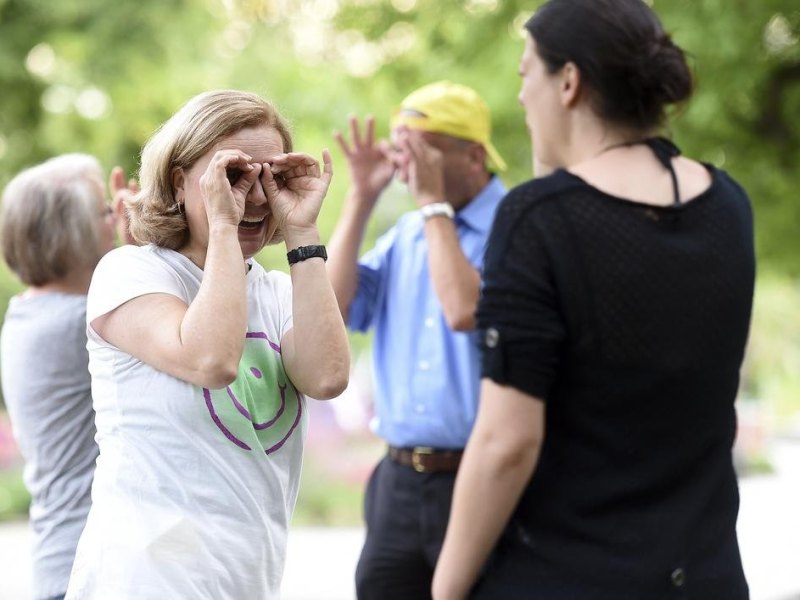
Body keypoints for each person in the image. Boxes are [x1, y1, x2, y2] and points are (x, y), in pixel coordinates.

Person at [432, 1, 755, 599]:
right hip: (706, 576)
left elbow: (508, 443)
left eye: (527, 72)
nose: (523, 96)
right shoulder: (729, 206)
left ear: (570, 81)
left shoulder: (538, 220)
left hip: (568, 576)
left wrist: (445, 588)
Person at [65, 89, 350, 599]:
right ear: (179, 180)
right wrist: (222, 222)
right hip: (146, 581)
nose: (257, 196)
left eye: (274, 176)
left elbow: (326, 378)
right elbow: (211, 359)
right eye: (236, 174)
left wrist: (303, 231)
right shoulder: (131, 272)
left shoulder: (278, 290)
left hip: (247, 581)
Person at [327, 81, 507, 599]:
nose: (404, 164)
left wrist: (434, 207)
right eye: (397, 146)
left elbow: (465, 310)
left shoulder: (516, 225)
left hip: (483, 479)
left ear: (472, 155)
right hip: (399, 480)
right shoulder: (404, 234)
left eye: (418, 149)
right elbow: (333, 308)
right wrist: (361, 197)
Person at [0, 153, 121, 600]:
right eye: (106, 211)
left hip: (65, 563)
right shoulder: (79, 322)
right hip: (84, 571)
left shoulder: (31, 312)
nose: (116, 218)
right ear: (73, 233)